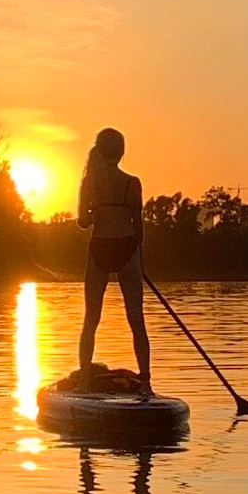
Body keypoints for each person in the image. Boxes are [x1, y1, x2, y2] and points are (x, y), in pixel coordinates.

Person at [76, 125, 152, 391]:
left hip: (100, 250)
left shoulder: (89, 183)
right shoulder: (132, 183)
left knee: (91, 319)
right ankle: (146, 382)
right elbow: (139, 228)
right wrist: (138, 262)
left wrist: (93, 209)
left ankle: (84, 382)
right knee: (137, 320)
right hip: (127, 250)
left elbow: (83, 222)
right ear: (121, 153)